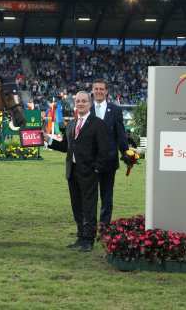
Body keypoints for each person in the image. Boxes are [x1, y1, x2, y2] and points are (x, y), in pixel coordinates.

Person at [44, 91, 109, 252]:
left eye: (84, 101)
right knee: (77, 206)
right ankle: (80, 237)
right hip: (72, 172)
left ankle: (88, 240)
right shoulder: (72, 124)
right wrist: (48, 139)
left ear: (90, 103)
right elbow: (66, 146)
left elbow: (104, 150)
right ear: (75, 103)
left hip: (89, 173)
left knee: (89, 207)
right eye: (78, 101)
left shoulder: (98, 124)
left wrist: (96, 168)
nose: (80, 103)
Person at [91, 79, 131, 227]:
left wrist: (126, 153)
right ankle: (89, 226)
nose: (99, 91)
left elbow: (120, 134)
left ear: (106, 91)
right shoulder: (86, 109)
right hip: (90, 162)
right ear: (93, 91)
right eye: (96, 89)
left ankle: (104, 227)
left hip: (109, 161)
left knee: (107, 197)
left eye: (102, 89)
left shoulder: (115, 110)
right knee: (90, 196)